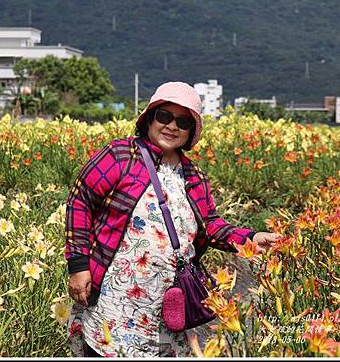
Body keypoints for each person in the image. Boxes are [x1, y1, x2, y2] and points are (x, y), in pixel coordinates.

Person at [65, 81, 281, 357]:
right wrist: (78, 264)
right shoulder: (120, 155)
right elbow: (80, 201)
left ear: (190, 132)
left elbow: (211, 225)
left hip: (167, 305)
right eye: (164, 116)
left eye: (183, 121)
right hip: (113, 301)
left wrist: (250, 238)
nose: (172, 126)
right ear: (149, 119)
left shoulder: (194, 175)